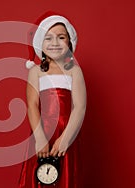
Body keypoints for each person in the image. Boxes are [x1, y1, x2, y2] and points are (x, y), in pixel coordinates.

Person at [19, 12, 86, 188]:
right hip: (42, 133)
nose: (55, 43)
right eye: (48, 38)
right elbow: (32, 106)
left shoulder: (74, 71)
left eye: (61, 37)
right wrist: (39, 137)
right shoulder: (36, 72)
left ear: (69, 42)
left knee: (64, 178)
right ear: (41, 43)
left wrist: (66, 139)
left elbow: (79, 107)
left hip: (66, 135)